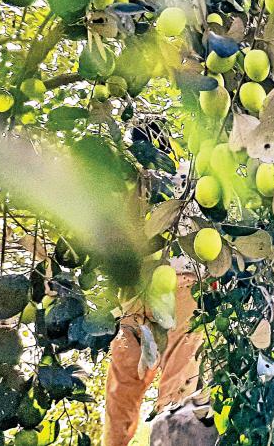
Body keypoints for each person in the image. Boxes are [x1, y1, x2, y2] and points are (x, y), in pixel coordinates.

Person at [103, 160, 207, 446]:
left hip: (179, 282)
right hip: (145, 284)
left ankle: (169, 437)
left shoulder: (196, 158)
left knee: (175, 382)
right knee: (129, 380)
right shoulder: (140, 157)